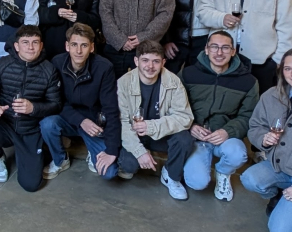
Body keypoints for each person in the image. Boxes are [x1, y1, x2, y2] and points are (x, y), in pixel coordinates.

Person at [0, 25, 61, 192]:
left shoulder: (49, 70)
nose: (30, 47)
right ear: (16, 46)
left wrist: (33, 108)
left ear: (41, 45)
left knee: (31, 184)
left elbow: (56, 104)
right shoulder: (3, 64)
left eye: (35, 42)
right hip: (5, 123)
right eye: (25, 42)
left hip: (30, 129)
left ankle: (31, 155)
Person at [180, 31, 258, 201]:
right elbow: (175, 107)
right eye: (214, 47)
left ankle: (223, 173)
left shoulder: (249, 81)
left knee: (237, 153)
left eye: (225, 48)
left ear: (233, 51)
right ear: (206, 49)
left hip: (225, 138)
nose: (219, 52)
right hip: (196, 138)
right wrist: (190, 126)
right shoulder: (188, 74)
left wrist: (227, 131)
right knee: (196, 183)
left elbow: (249, 116)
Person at [117, 40, 195, 201]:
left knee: (184, 139)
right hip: (135, 135)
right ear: (136, 61)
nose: (150, 66)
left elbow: (185, 117)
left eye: (156, 61)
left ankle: (171, 176)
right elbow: (122, 122)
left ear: (163, 62)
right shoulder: (124, 82)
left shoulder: (173, 81)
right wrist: (139, 152)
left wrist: (151, 126)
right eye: (145, 60)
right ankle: (134, 158)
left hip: (162, 135)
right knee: (129, 165)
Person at [40, 23, 120, 180]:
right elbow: (56, 101)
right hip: (68, 119)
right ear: (67, 46)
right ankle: (61, 159)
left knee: (109, 172)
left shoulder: (104, 68)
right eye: (74, 45)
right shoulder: (57, 63)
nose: (78, 51)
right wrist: (81, 120)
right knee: (47, 124)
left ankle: (92, 150)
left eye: (84, 45)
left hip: (94, 124)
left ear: (92, 47)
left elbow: (110, 109)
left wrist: (111, 151)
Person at [241, 49, 292, 231]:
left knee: (279, 229)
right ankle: (279, 194)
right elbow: (255, 126)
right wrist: (264, 138)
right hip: (279, 167)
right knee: (250, 179)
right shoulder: (271, 95)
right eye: (288, 68)